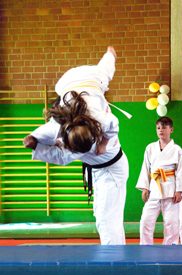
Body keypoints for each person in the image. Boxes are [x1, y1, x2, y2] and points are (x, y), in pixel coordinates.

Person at [23, 46, 129, 246]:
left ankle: (115, 261)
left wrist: (104, 143)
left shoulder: (99, 120)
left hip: (112, 168)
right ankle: (110, 54)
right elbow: (40, 139)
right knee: (103, 216)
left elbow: (60, 156)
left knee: (107, 219)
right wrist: (32, 140)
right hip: (74, 81)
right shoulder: (61, 125)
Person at [136, 117, 182, 245]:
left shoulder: (177, 149)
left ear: (171, 129)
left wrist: (179, 191)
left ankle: (170, 249)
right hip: (154, 188)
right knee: (145, 221)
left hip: (171, 190)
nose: (161, 130)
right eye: (158, 128)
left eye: (164, 127)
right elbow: (145, 167)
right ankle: (145, 247)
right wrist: (145, 187)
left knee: (172, 223)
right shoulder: (150, 148)